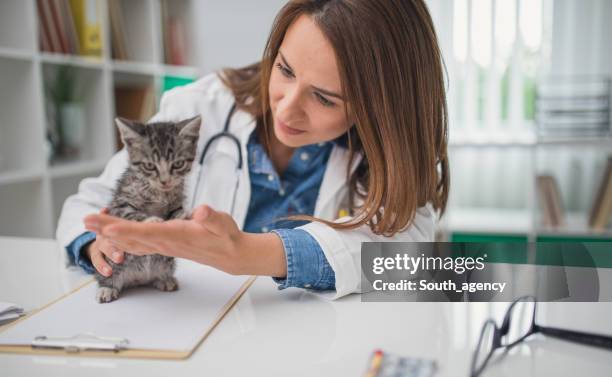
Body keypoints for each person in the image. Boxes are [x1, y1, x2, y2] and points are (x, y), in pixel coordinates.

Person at [56, 0, 449, 300]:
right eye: (285, 70)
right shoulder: (196, 109)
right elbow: (86, 204)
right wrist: (98, 246)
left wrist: (251, 253)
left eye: (325, 99)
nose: (287, 107)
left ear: (380, 108)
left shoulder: (389, 152)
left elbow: (409, 260)